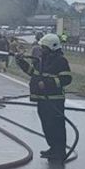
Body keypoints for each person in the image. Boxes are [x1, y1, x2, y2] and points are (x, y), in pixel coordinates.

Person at [15, 33, 73, 161]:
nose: (41, 49)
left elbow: (67, 79)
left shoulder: (60, 61)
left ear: (51, 47)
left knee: (56, 126)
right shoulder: (43, 60)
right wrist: (21, 62)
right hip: (43, 99)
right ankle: (53, 148)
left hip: (54, 100)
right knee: (47, 125)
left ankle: (59, 151)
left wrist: (48, 83)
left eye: (44, 47)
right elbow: (33, 73)